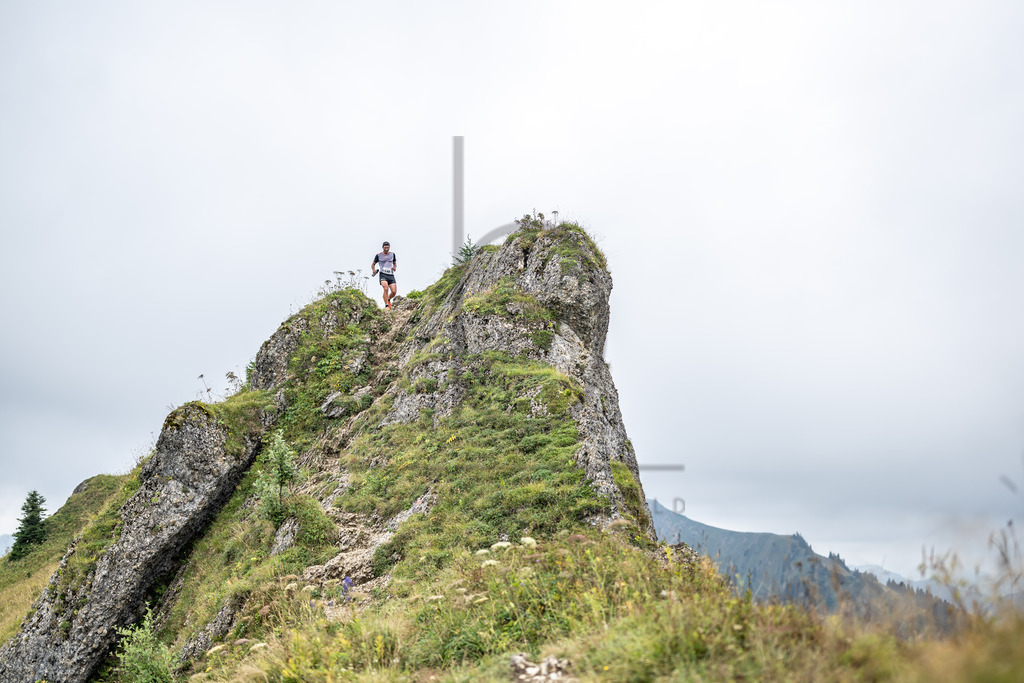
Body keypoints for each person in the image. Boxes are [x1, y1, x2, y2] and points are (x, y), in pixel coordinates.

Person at [371, 241, 397, 309]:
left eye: (388, 247)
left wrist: (394, 267)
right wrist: (373, 270)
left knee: (394, 292)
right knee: (385, 288)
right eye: (385, 247)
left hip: (390, 274)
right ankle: (386, 305)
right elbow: (373, 264)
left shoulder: (392, 254)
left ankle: (388, 299)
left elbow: (395, 263)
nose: (386, 249)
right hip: (383, 274)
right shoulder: (378, 255)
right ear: (382, 247)